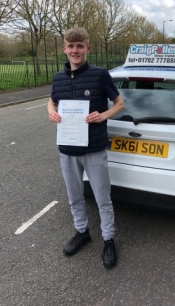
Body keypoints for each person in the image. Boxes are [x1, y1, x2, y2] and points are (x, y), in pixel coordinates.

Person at [47, 27, 124, 269]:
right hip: (67, 149)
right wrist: (51, 111)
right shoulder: (58, 78)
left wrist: (102, 116)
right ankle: (82, 232)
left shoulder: (100, 75)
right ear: (64, 49)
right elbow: (52, 100)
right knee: (74, 196)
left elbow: (119, 104)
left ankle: (108, 239)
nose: (75, 50)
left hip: (94, 149)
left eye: (80, 46)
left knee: (102, 198)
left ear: (87, 49)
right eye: (71, 46)